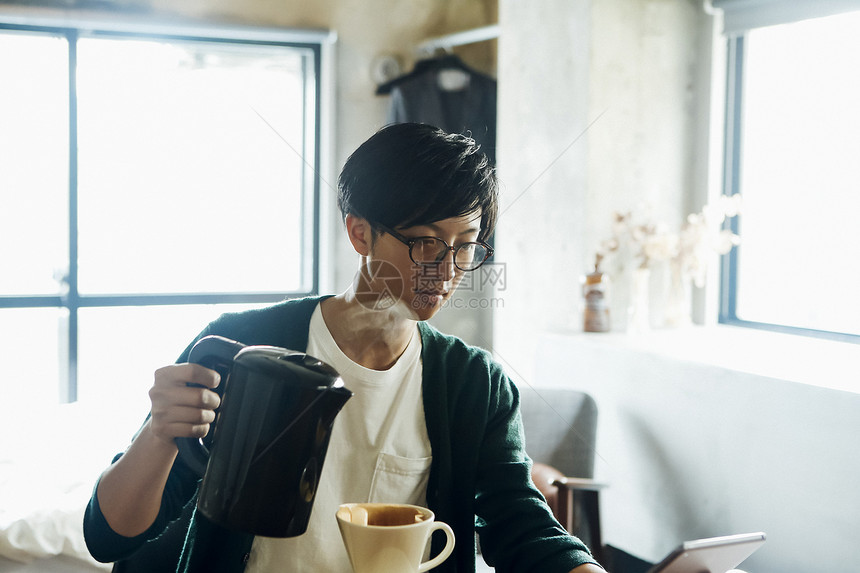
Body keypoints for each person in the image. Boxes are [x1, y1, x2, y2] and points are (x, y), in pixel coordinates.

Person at [84, 123, 605, 573]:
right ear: (360, 233)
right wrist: (159, 433)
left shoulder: (473, 383)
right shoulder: (243, 348)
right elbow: (110, 535)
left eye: (466, 245)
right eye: (425, 241)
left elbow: (518, 521)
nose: (447, 271)